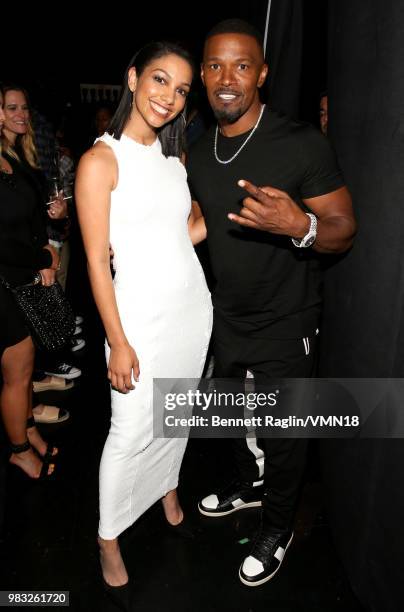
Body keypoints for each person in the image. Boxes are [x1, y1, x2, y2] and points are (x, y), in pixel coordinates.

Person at [186, 19, 356, 587]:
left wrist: (299, 225)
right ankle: (245, 487)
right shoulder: (197, 147)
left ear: (262, 73)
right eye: (214, 65)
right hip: (224, 314)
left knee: (285, 435)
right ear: (203, 74)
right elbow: (200, 224)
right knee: (230, 417)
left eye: (240, 66)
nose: (226, 78)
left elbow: (343, 228)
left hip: (287, 319)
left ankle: (278, 525)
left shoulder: (300, 141)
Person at [75, 41, 212, 602]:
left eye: (181, 90)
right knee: (130, 431)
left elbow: (185, 230)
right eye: (160, 80)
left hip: (191, 313)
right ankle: (109, 538)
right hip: (138, 323)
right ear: (132, 79)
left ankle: (168, 487)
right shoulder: (99, 161)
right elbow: (93, 261)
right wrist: (117, 341)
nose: (169, 98)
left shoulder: (173, 162)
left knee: (176, 416)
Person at [0, 86, 61, 479]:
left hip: (22, 276)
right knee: (17, 376)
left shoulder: (11, 156)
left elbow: (26, 214)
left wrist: (46, 237)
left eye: (24, 107)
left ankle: (29, 429)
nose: (20, 114)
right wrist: (45, 256)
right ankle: (19, 451)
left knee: (26, 368)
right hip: (5, 282)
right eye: (11, 107)